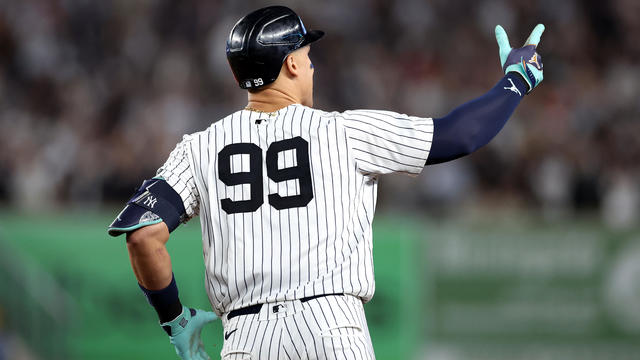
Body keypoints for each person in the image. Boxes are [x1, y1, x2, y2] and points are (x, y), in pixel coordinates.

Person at [108, 5, 544, 360]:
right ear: (292, 62)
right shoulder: (344, 132)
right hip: (330, 330)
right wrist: (515, 81)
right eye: (307, 56)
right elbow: (459, 136)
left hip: (244, 340)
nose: (312, 66)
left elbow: (143, 237)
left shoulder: (197, 148)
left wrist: (176, 321)